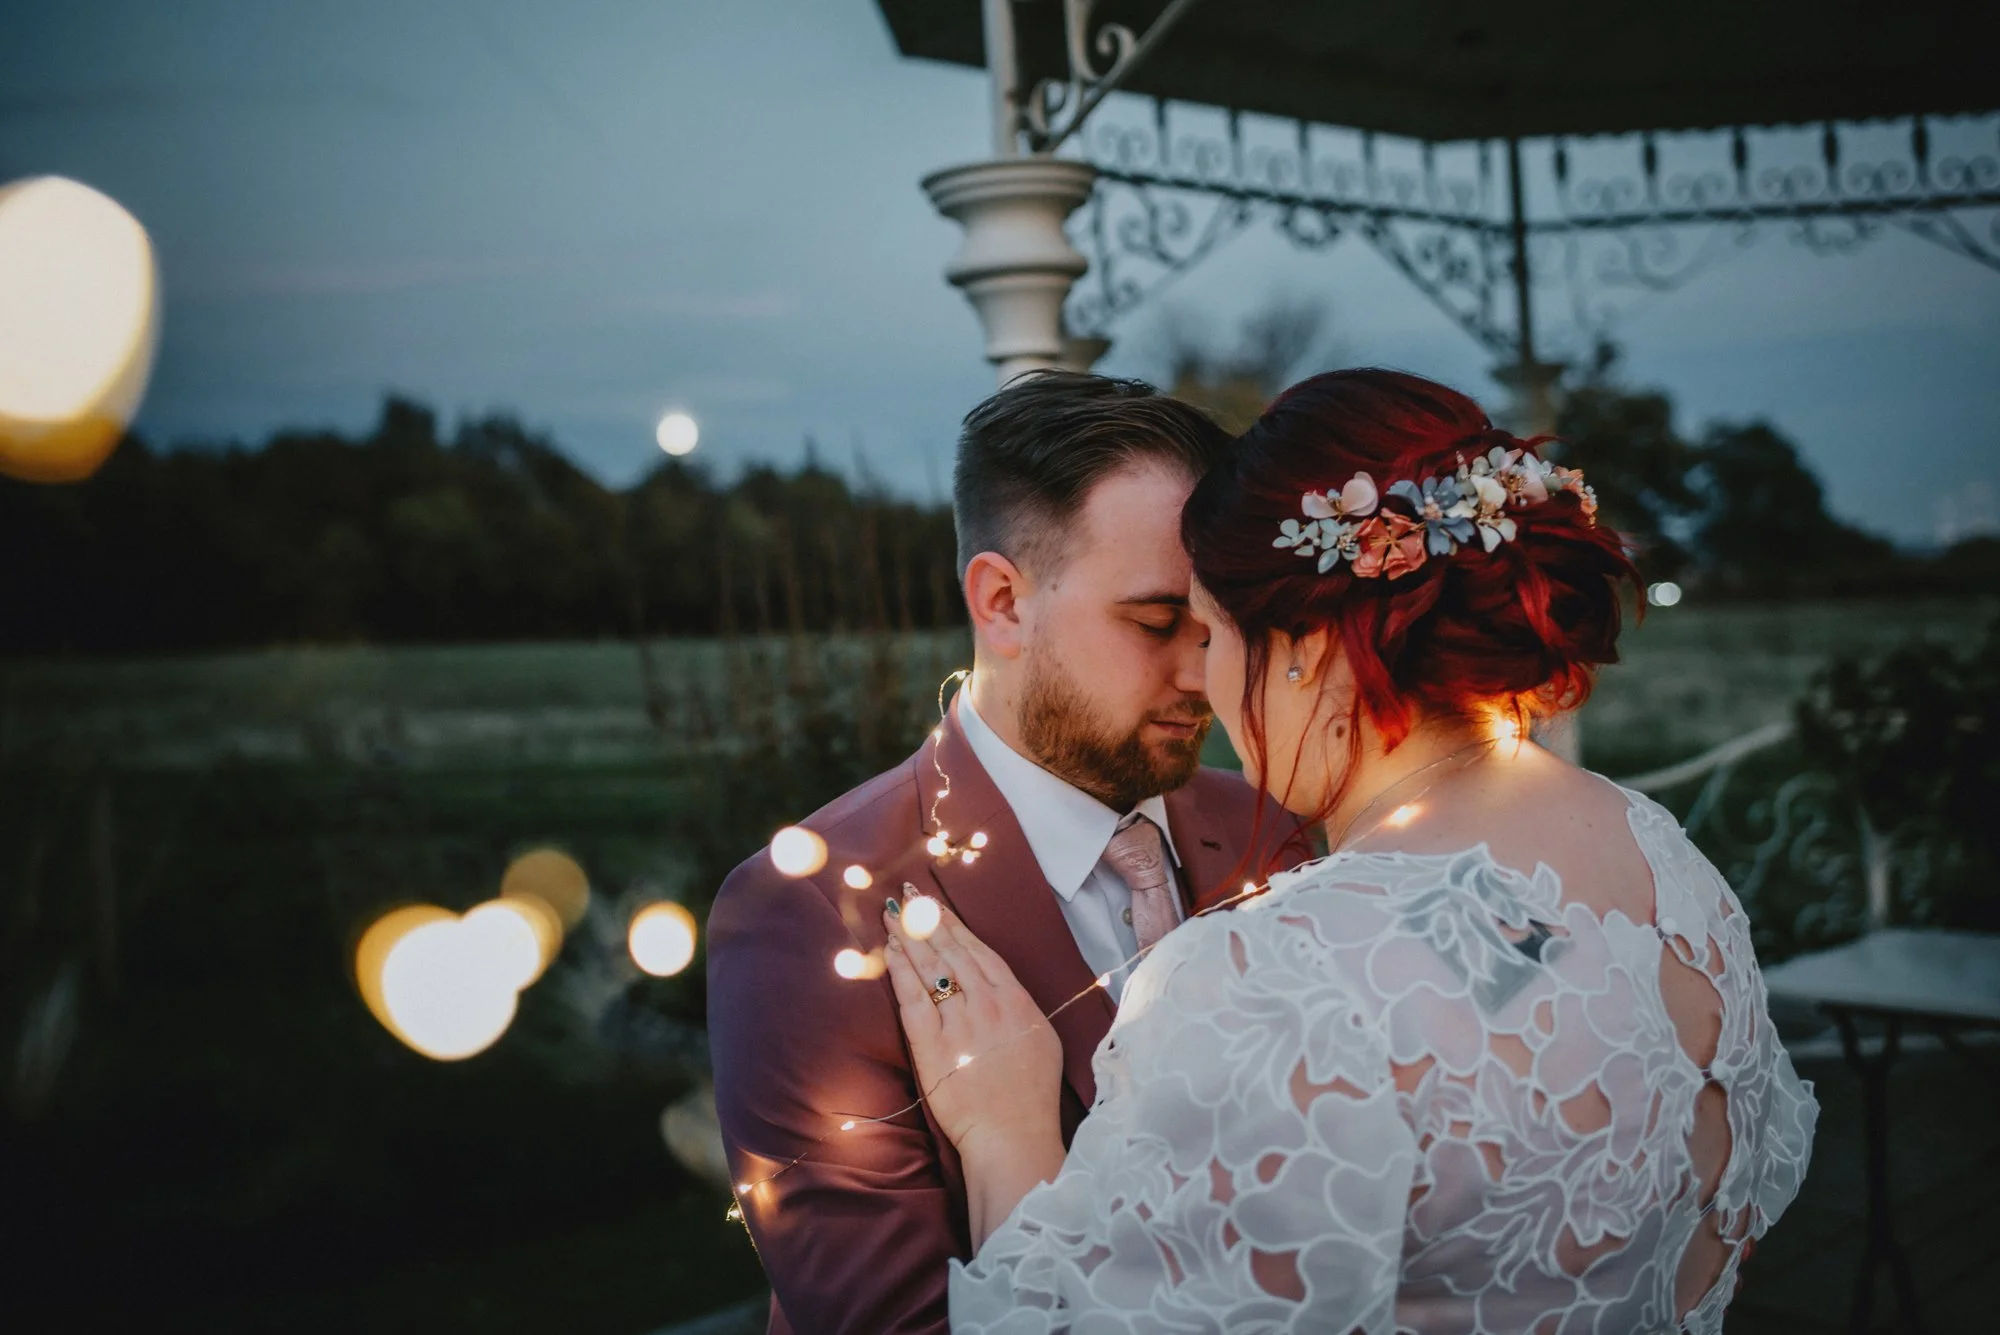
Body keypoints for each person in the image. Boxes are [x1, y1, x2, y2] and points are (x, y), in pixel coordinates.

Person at [882, 368, 1820, 1332]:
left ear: (1307, 646)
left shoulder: (1277, 979)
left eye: (1207, 631)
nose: (1204, 683)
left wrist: (1005, 1135)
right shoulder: (1666, 864)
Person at [706, 372, 1309, 1335]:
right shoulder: (816, 909)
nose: (1201, 672)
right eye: (1157, 622)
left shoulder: (1271, 832)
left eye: (1218, 626)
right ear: (1001, 602)